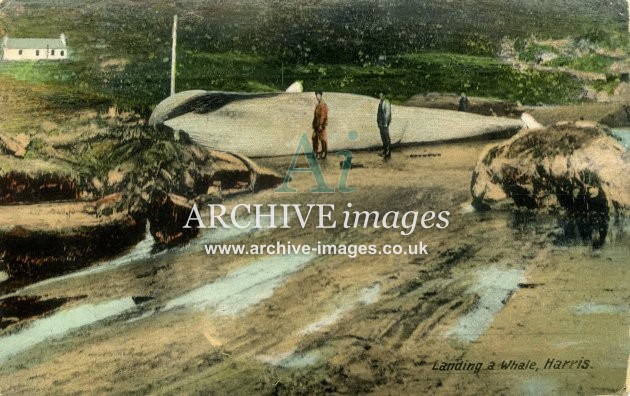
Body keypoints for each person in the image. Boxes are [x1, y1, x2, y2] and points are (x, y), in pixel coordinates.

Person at [312, 91, 328, 159]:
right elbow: (315, 116)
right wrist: (314, 124)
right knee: (314, 137)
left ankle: (324, 152)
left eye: (318, 95)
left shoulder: (323, 104)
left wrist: (321, 125)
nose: (317, 97)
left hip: (321, 125)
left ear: (321, 96)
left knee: (322, 139)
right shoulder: (317, 105)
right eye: (316, 95)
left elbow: (323, 116)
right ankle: (315, 152)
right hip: (316, 125)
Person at [377, 92, 392, 159]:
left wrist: (386, 122)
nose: (380, 97)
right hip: (380, 122)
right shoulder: (380, 102)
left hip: (384, 122)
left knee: (386, 137)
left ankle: (388, 152)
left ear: (384, 96)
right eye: (379, 96)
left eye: (381, 96)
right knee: (383, 137)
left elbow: (388, 113)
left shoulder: (386, 102)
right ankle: (384, 150)